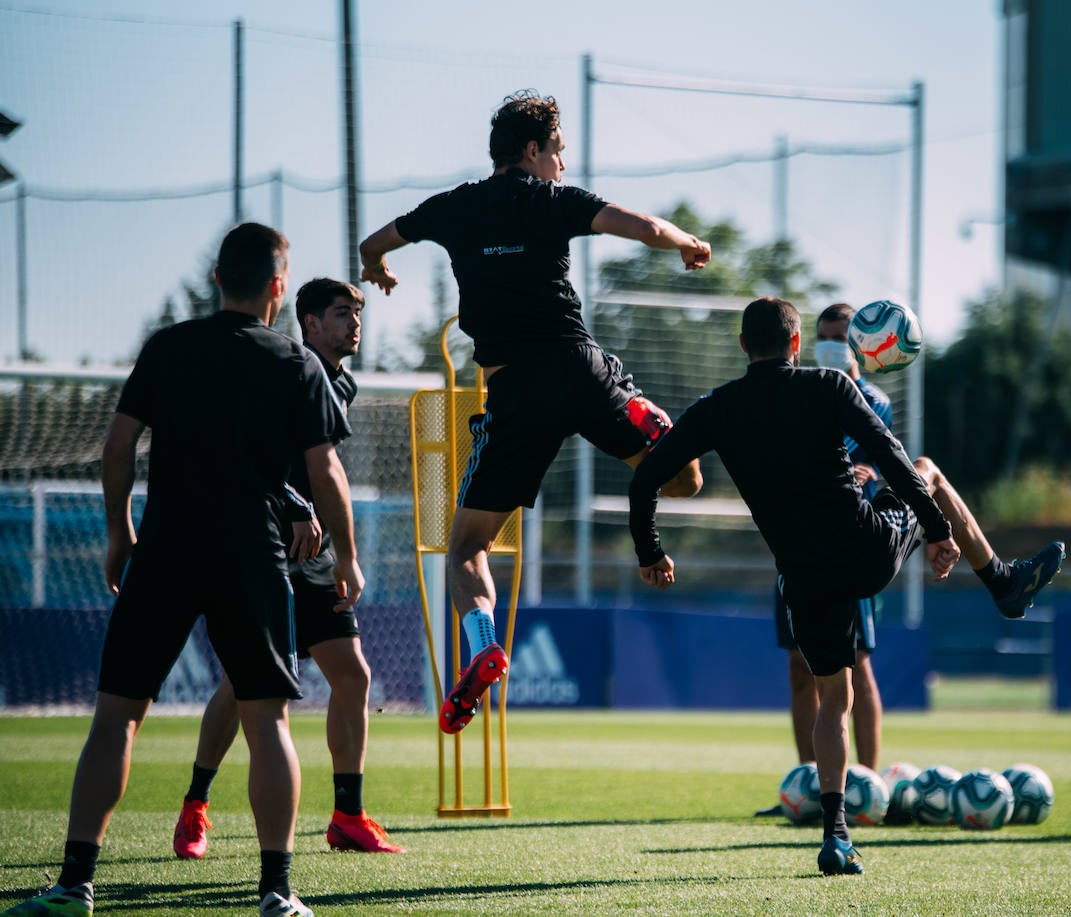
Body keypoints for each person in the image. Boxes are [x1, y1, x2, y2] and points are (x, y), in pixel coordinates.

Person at [2, 224, 360, 917]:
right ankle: (277, 892)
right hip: (252, 554)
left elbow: (117, 447)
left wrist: (119, 532)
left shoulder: (168, 346)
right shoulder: (296, 362)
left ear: (217, 280)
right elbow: (327, 470)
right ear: (279, 289)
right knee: (268, 722)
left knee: (115, 720)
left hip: (164, 549)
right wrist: (347, 557)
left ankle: (76, 883)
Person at [358, 90, 709, 734]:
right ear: (532, 151)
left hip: (515, 394)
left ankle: (485, 644)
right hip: (580, 372)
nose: (562, 167)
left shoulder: (452, 207)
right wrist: (690, 243)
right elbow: (648, 229)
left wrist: (374, 267)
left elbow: (373, 241)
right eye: (558, 153)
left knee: (466, 546)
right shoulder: (553, 201)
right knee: (685, 476)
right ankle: (653, 430)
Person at [629, 297, 972, 875]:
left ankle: (835, 835)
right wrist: (935, 530)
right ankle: (1000, 579)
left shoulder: (717, 408)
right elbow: (890, 456)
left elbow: (644, 482)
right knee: (929, 470)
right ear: (795, 344)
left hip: (803, 578)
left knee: (832, 702)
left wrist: (651, 551)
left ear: (743, 346)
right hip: (866, 553)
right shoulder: (831, 386)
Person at [757, 304, 1066, 817]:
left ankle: (869, 787)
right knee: (800, 671)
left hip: (852, 538)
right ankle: (808, 789)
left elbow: (868, 467)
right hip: (796, 546)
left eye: (841, 337)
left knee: (854, 669)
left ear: (861, 344)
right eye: (824, 336)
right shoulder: (800, 390)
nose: (831, 345)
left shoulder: (869, 397)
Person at [170, 278, 403, 863]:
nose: (355, 322)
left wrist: (340, 547)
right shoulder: (285, 369)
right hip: (265, 542)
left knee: (353, 676)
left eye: (358, 312)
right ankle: (195, 806)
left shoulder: (338, 381)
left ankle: (347, 815)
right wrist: (297, 508)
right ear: (309, 321)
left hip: (316, 552)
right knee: (244, 682)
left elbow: (318, 470)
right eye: (342, 313)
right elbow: (249, 452)